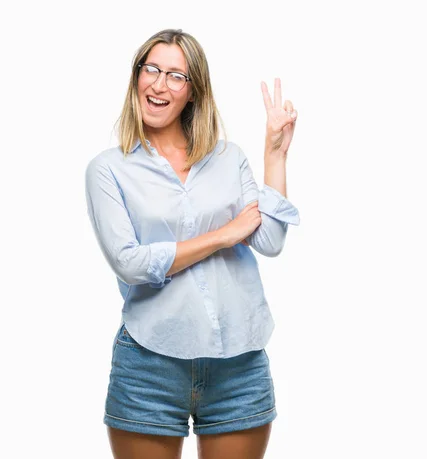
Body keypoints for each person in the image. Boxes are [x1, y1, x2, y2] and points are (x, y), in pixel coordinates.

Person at [84, 28, 299, 459]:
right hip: (149, 364)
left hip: (239, 363)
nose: (160, 84)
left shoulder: (228, 158)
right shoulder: (108, 170)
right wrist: (224, 234)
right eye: (152, 70)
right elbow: (132, 263)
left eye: (176, 76)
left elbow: (270, 240)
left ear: (193, 91)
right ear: (137, 78)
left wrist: (275, 155)